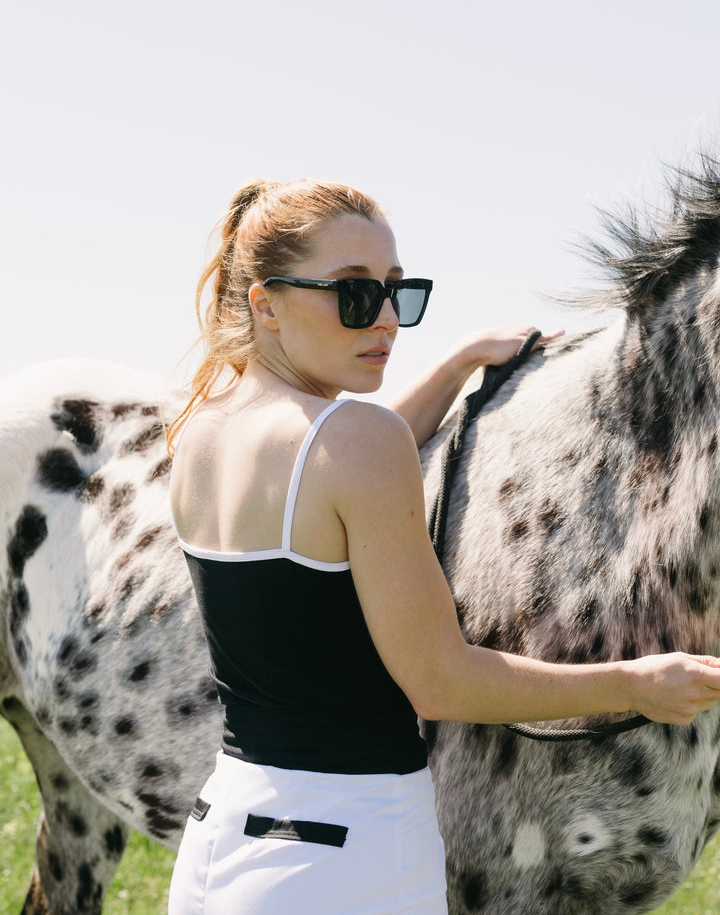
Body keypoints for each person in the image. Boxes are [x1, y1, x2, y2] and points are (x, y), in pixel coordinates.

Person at [166, 179, 720, 915]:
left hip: (224, 838)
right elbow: (441, 682)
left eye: (398, 292)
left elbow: (334, 470)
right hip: (346, 857)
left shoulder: (203, 433)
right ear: (266, 304)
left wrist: (457, 363)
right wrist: (637, 685)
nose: (386, 320)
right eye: (354, 294)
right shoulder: (360, 443)